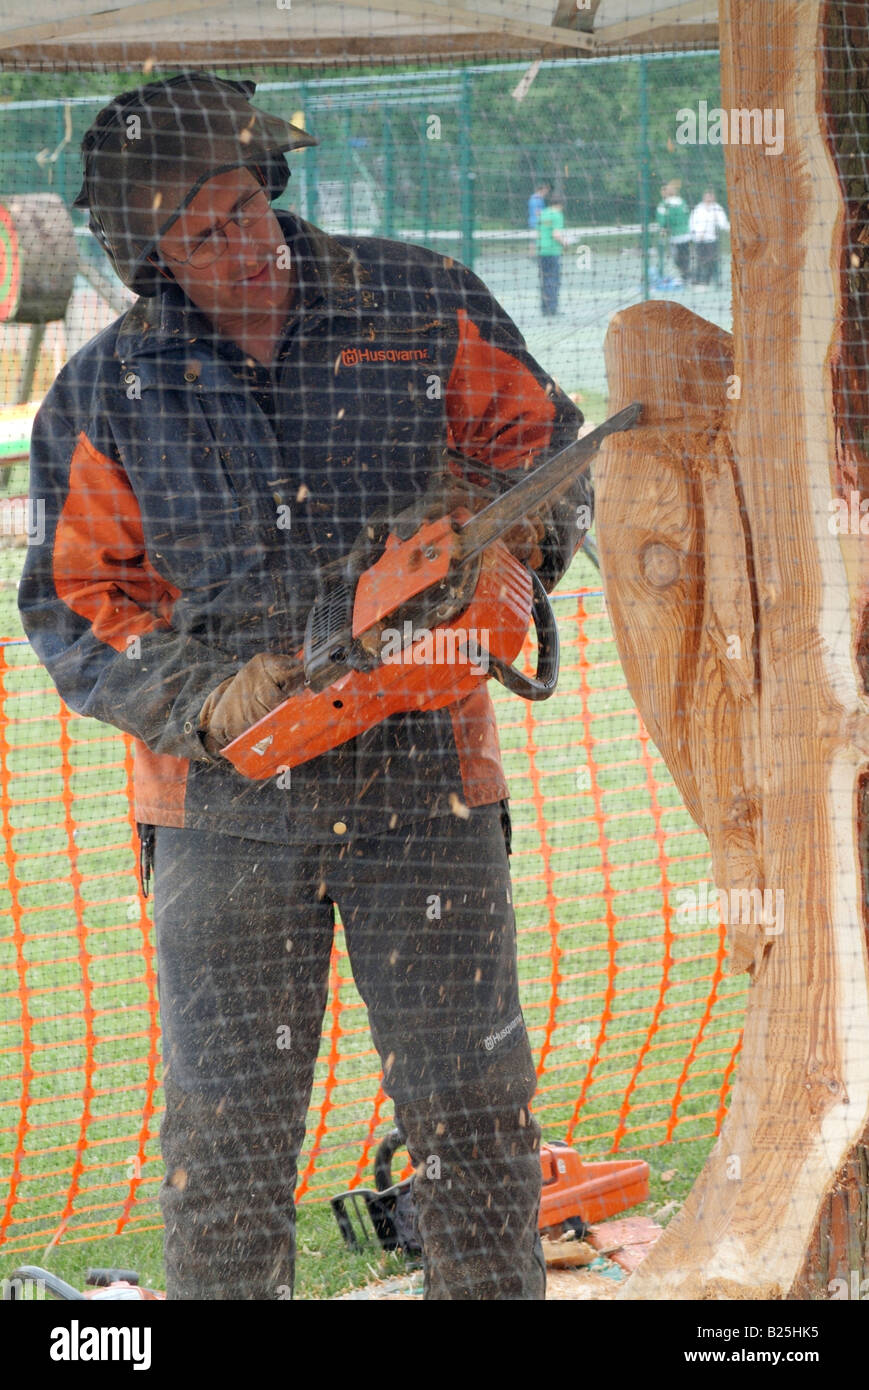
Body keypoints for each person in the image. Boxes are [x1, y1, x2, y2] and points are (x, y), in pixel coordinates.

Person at [18, 73, 592, 1301]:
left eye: (242, 207)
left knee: (473, 1114)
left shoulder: (419, 304)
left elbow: (548, 445)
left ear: (268, 184)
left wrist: (497, 545)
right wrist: (206, 697)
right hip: (218, 809)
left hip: (424, 784)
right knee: (223, 1147)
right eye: (198, 231)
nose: (240, 245)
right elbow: (71, 603)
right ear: (150, 254)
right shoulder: (107, 392)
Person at [690, 187, 730, 286]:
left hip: (711, 239)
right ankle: (697, 280)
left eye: (710, 197)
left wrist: (731, 230)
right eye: (706, 197)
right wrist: (697, 234)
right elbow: (692, 223)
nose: (708, 199)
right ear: (704, 197)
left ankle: (710, 280)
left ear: (713, 198)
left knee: (712, 260)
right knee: (700, 260)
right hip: (699, 240)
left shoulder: (717, 208)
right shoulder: (698, 209)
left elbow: (723, 223)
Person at [655, 179, 692, 285]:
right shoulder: (681, 201)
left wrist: (663, 228)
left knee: (678, 257)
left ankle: (685, 276)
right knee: (684, 256)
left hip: (677, 235)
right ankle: (686, 276)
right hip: (685, 234)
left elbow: (662, 220)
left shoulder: (664, 204)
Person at [537, 193, 568, 316]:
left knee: (544, 280)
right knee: (553, 280)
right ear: (561, 205)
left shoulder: (543, 213)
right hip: (552, 251)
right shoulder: (557, 215)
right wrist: (565, 243)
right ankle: (552, 309)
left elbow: (540, 232)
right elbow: (556, 234)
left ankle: (544, 308)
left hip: (542, 251)